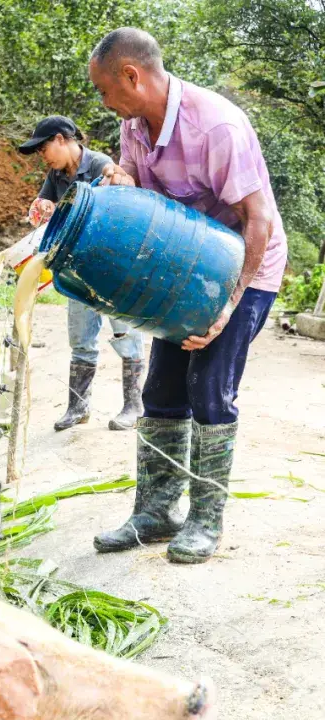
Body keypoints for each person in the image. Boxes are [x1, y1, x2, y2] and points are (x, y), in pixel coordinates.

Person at [88, 28, 287, 563]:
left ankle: (204, 519)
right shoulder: (134, 124)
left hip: (246, 264)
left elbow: (259, 219)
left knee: (209, 390)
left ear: (132, 75)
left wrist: (228, 304)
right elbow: (146, 194)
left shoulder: (216, 125)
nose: (102, 101)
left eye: (105, 89)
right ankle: (155, 512)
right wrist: (122, 177)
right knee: (163, 390)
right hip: (185, 270)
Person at [18, 116, 146, 433]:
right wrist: (43, 206)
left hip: (113, 266)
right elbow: (47, 204)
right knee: (81, 339)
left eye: (44, 147)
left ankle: (134, 406)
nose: (42, 156)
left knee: (125, 334)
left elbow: (116, 213)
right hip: (76, 267)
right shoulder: (56, 174)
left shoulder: (102, 165)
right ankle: (78, 407)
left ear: (62, 139)